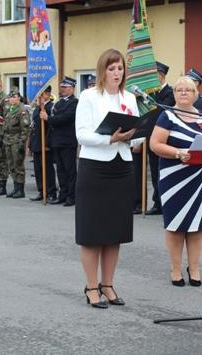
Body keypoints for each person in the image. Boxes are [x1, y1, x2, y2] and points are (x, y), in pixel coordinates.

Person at [75, 48, 141, 308]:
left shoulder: (130, 98)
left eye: (120, 68)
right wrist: (110, 138)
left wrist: (136, 136)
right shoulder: (89, 96)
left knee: (115, 232)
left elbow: (139, 132)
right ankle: (92, 287)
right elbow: (82, 134)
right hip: (95, 168)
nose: (117, 72)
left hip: (122, 167)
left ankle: (109, 284)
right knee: (92, 232)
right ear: (102, 71)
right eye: (112, 68)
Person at [151, 75, 202, 287]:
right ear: (174, 94)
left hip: (198, 177)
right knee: (176, 225)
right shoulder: (167, 116)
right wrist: (178, 153)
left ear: (196, 94)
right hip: (173, 177)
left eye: (188, 90)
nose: (183, 93)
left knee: (196, 226)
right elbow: (155, 144)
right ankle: (176, 269)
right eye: (179, 89)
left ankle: (194, 268)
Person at [133, 60, 174, 215]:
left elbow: (160, 110)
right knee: (155, 172)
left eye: (154, 76)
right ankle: (157, 203)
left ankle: (164, 202)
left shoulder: (169, 92)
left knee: (162, 171)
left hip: (163, 138)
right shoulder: (150, 94)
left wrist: (146, 99)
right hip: (150, 136)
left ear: (161, 76)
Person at [43, 76, 78, 206]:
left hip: (68, 141)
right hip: (56, 140)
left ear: (72, 88)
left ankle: (71, 196)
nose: (62, 89)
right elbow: (56, 117)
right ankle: (63, 194)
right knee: (60, 170)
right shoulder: (58, 103)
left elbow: (66, 118)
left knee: (70, 170)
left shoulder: (74, 102)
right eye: (62, 87)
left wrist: (49, 119)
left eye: (65, 87)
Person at [28, 86, 58, 202]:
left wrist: (48, 142)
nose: (39, 97)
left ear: (47, 94)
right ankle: (42, 190)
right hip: (36, 142)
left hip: (45, 142)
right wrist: (30, 144)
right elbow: (34, 126)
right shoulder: (38, 107)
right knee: (38, 169)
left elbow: (51, 126)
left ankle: (51, 192)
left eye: (41, 94)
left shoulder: (50, 107)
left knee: (47, 169)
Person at [3, 90, 30, 198]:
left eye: (14, 97)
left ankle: (20, 189)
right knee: (11, 165)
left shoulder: (22, 110)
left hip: (17, 140)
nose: (11, 99)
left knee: (18, 165)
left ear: (19, 98)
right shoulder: (9, 109)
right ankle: (15, 187)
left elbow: (25, 129)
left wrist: (22, 143)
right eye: (10, 97)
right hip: (8, 139)